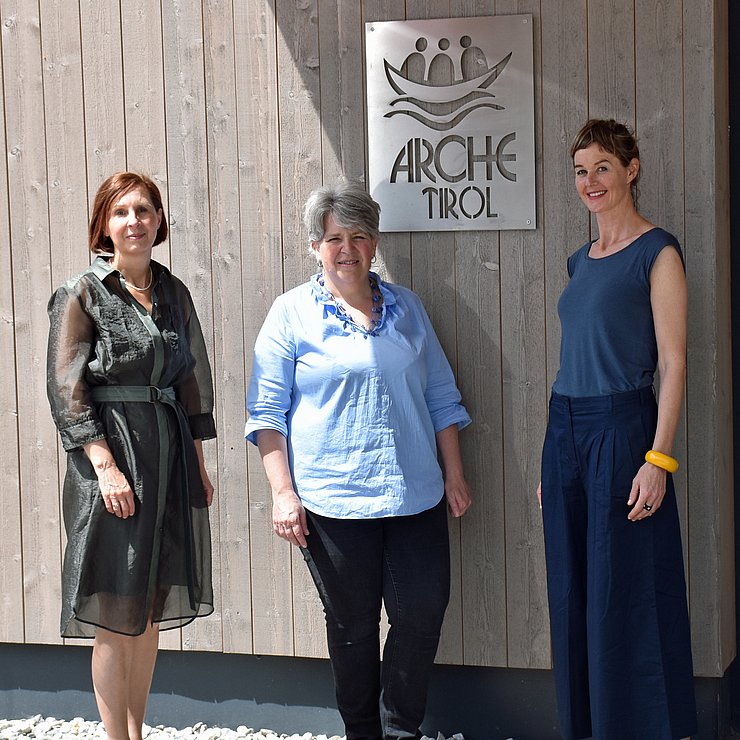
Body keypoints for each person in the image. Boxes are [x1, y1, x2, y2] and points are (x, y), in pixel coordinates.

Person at [245, 180, 472, 740]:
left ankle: (402, 730)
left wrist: (455, 474)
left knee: (421, 614)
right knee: (351, 627)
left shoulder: (408, 309)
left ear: (374, 244)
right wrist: (283, 494)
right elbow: (266, 413)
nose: (347, 248)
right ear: (315, 247)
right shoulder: (291, 314)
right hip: (333, 502)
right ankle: (363, 733)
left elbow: (441, 396)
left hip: (416, 493)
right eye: (334, 238)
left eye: (359, 236)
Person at [538, 119, 697, 739]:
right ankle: (584, 727)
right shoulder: (580, 260)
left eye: (602, 166)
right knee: (573, 589)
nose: (590, 181)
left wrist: (659, 460)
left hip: (623, 432)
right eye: (580, 170)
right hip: (566, 433)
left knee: (622, 588)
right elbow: (573, 355)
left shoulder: (658, 252)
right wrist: (553, 457)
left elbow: (675, 361)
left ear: (630, 169)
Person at [46, 172, 216, 740]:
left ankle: (136, 732)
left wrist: (195, 457)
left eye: (144, 210)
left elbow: (189, 379)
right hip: (112, 457)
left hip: (166, 455)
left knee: (148, 612)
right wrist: (105, 467)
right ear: (105, 225)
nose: (135, 221)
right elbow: (66, 389)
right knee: (117, 612)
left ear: (159, 221)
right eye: (122, 212)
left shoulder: (172, 291)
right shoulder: (82, 293)